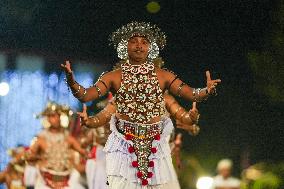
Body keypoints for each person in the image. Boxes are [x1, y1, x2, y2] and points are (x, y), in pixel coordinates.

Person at [61, 21, 221, 188]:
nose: (139, 46)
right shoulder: (114, 76)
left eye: (144, 42)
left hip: (156, 147)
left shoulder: (163, 75)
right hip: (124, 147)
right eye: (133, 41)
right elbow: (87, 96)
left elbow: (191, 94)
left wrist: (206, 91)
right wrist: (72, 82)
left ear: (150, 48)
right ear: (125, 46)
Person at [27, 102, 88, 189]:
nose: (56, 118)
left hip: (66, 183)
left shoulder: (68, 138)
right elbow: (28, 157)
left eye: (58, 115)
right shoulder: (40, 139)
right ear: (47, 118)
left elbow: (85, 152)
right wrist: (34, 157)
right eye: (52, 116)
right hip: (45, 183)